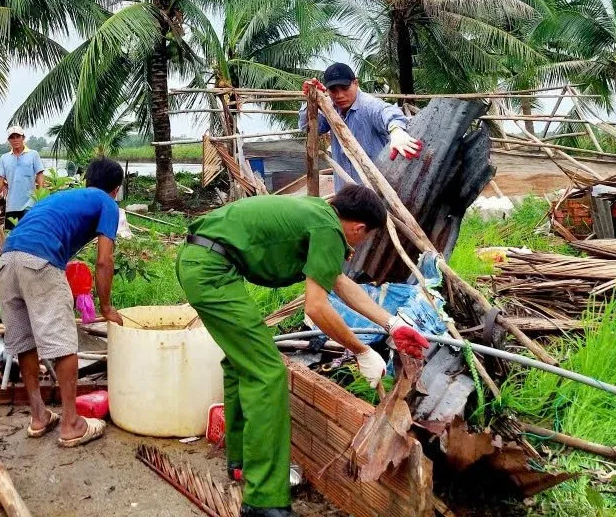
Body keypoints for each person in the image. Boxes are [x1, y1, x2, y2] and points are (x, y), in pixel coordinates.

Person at [176, 185, 429, 517]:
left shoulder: (319, 213)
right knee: (268, 373)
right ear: (358, 228)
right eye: (366, 238)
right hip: (212, 271)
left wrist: (392, 324)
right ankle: (264, 501)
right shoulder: (328, 228)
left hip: (204, 262)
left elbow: (337, 281)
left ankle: (241, 463)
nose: (359, 245)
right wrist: (361, 351)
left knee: (243, 362)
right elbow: (317, 308)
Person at [0, 158, 125, 448]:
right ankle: (71, 424)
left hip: (6, 261)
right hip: (40, 261)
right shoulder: (107, 203)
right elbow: (104, 261)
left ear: (87, 180)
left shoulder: (63, 197)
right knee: (64, 343)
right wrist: (105, 308)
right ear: (115, 190)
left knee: (25, 341)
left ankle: (39, 416)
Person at [298, 63, 423, 191]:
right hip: (344, 191)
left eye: (345, 88)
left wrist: (397, 131)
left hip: (377, 195)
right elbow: (308, 127)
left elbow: (388, 112)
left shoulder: (369, 105)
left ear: (356, 83)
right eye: (334, 90)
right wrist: (311, 99)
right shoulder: (330, 109)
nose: (340, 95)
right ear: (327, 90)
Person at [0, 125, 44, 230]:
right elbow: (0, 178)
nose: (15, 140)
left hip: (30, 203)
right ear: (9, 140)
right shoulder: (4, 158)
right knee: (11, 234)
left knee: (30, 233)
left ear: (23, 138)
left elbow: (40, 174)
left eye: (18, 136)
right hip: (12, 204)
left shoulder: (33, 155)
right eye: (12, 137)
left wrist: (41, 194)